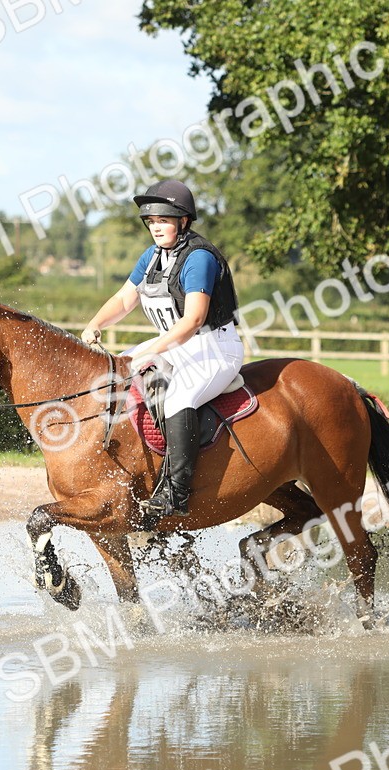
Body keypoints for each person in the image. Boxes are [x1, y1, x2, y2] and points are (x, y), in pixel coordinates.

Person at [81, 179, 243, 523]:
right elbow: (126, 298)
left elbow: (194, 318)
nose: (156, 227)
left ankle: (176, 493)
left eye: (164, 220)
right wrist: (95, 322)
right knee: (115, 373)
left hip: (213, 348)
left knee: (177, 398)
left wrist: (151, 350)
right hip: (175, 345)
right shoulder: (153, 256)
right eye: (152, 222)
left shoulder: (199, 258)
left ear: (183, 221)